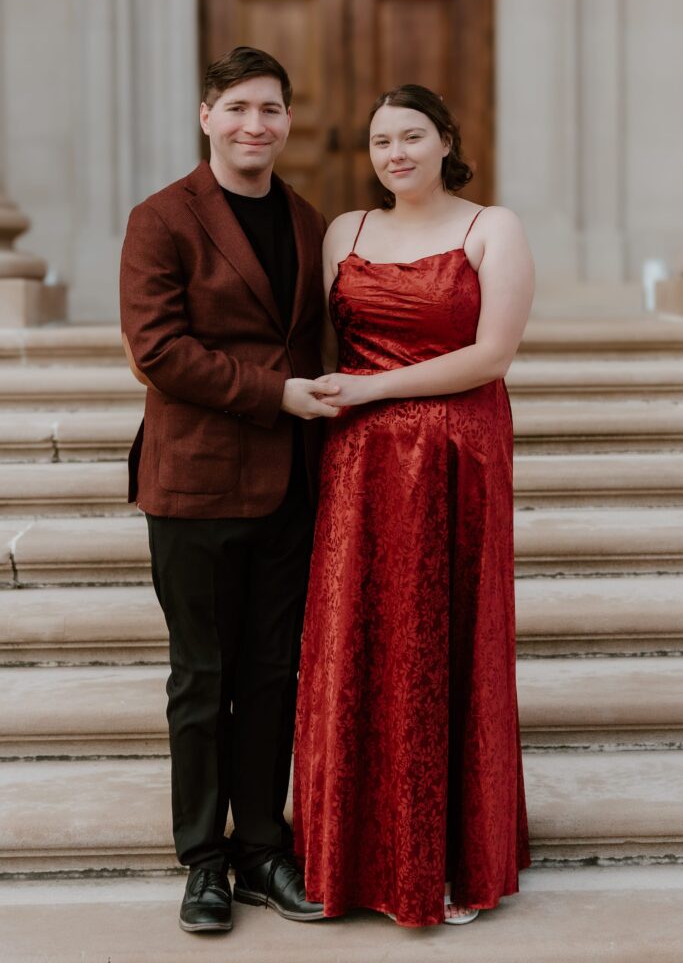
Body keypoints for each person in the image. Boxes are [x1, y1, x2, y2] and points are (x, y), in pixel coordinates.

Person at [293, 84, 534, 928]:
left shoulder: (489, 227)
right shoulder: (342, 233)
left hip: (456, 457)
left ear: (445, 140)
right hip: (358, 468)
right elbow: (325, 350)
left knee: (443, 646)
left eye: (411, 136)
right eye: (379, 141)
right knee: (361, 648)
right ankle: (354, 857)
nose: (394, 153)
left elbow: (491, 354)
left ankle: (447, 860)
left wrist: (374, 388)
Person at [119, 47, 339, 934]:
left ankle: (262, 854)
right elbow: (158, 352)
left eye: (272, 109)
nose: (257, 124)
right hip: (195, 487)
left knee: (273, 675)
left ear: (287, 122)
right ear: (207, 115)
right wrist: (274, 394)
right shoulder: (160, 219)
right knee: (203, 681)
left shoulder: (311, 220)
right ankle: (202, 863)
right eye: (239, 107)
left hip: (292, 485)